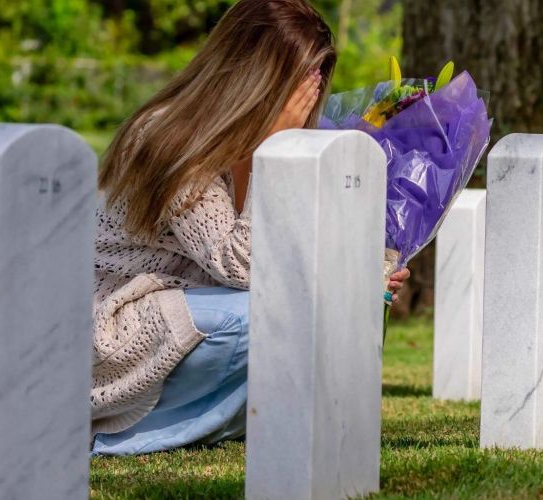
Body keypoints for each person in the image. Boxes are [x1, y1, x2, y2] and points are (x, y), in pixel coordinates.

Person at [90, 0, 410, 455]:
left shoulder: (272, 143)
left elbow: (296, 257)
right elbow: (242, 266)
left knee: (310, 314)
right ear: (256, 74)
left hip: (193, 316)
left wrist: (365, 275)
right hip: (117, 325)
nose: (307, 101)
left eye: (316, 83)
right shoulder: (170, 137)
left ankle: (229, 423)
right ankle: (116, 435)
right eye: (300, 83)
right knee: (273, 317)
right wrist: (274, 143)